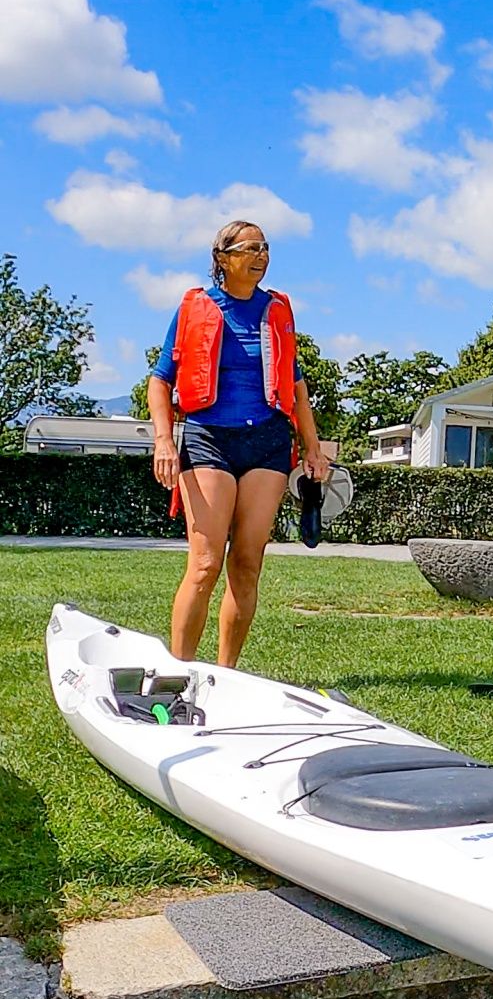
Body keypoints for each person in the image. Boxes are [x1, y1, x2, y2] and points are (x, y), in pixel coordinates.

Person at [147, 221, 331, 667]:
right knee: (207, 562)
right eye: (250, 248)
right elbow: (160, 381)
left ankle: (226, 675)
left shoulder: (278, 311)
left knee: (248, 562)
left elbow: (296, 384)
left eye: (265, 247)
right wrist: (164, 441)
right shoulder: (195, 307)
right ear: (223, 257)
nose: (261, 256)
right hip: (209, 438)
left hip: (267, 440)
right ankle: (180, 672)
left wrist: (312, 445)